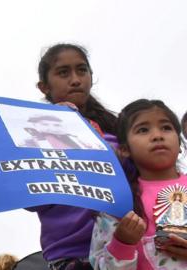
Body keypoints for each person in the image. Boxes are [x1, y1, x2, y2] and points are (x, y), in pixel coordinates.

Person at [27, 43, 118, 270]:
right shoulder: (29, 139)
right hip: (70, 254)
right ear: (43, 86)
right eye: (63, 73)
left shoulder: (118, 132)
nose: (76, 79)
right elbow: (27, 198)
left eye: (82, 70)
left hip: (123, 250)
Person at [89, 99, 187, 269]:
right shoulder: (118, 203)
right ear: (124, 149)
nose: (158, 135)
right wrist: (122, 244)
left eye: (166, 127)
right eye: (143, 130)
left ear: (179, 144)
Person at [22, 114, 93, 149]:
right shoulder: (28, 141)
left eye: (56, 125)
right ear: (35, 125)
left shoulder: (74, 138)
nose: (51, 128)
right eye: (45, 124)